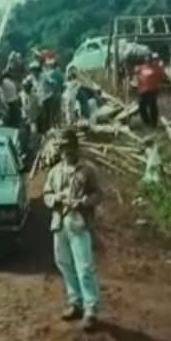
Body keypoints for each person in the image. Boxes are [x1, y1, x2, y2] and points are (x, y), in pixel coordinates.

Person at [43, 128, 102, 330]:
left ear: (75, 147)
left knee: (84, 267)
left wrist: (85, 201)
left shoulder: (88, 170)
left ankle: (91, 308)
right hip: (60, 222)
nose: (65, 151)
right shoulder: (55, 172)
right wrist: (54, 199)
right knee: (64, 264)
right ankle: (74, 301)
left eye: (68, 147)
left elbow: (98, 195)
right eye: (61, 148)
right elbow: (47, 194)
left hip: (80, 223)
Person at [135, 54, 166, 128]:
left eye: (149, 60)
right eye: (146, 60)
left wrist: (158, 83)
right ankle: (146, 121)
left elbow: (162, 77)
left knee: (152, 106)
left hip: (153, 90)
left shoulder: (157, 68)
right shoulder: (141, 68)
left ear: (152, 60)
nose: (148, 61)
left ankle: (154, 123)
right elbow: (136, 76)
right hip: (143, 90)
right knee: (141, 106)